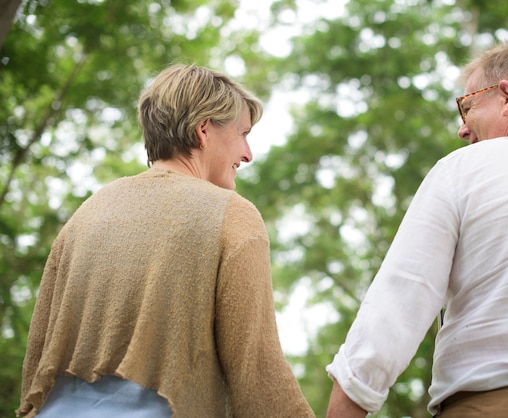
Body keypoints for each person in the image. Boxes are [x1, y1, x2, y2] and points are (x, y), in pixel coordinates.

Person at [325, 37, 508, 417]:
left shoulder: (465, 169)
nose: (462, 130)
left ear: (506, 97)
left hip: (499, 404)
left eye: (466, 108)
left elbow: (400, 298)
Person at [18, 64, 315, 418]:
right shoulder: (232, 216)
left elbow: (38, 357)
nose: (248, 153)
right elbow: (257, 374)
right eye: (243, 134)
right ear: (204, 130)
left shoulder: (86, 214)